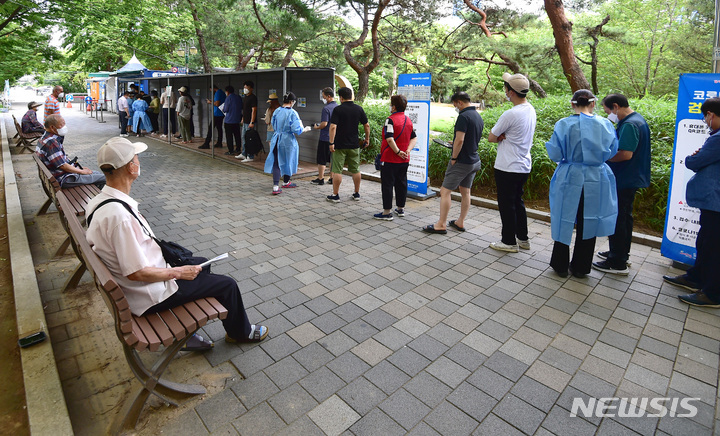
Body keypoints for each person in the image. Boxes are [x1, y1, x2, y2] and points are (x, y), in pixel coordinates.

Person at [85, 137, 268, 350]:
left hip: (139, 283)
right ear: (130, 167)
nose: (139, 162)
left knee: (202, 264)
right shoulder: (119, 216)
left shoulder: (100, 201)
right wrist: (179, 273)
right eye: (136, 158)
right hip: (148, 295)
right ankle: (240, 333)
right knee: (228, 285)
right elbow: (136, 273)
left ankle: (187, 332)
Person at [546, 90, 618, 278]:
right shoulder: (605, 124)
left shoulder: (564, 124)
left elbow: (554, 153)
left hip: (570, 175)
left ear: (572, 104)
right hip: (597, 177)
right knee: (590, 220)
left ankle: (560, 265)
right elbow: (612, 150)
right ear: (593, 104)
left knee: (563, 217)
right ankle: (581, 266)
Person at [667, 98, 720, 307]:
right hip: (712, 203)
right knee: (705, 241)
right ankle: (696, 277)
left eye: (705, 117)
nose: (706, 121)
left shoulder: (717, 138)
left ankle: (712, 293)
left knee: (713, 246)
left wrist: (693, 158)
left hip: (715, 202)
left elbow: (694, 161)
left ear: (710, 115)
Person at [593, 93, 651, 275]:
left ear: (616, 106)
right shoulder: (637, 120)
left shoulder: (629, 125)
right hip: (630, 177)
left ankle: (617, 262)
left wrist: (602, 158)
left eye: (608, 110)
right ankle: (619, 252)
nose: (608, 114)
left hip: (625, 179)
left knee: (619, 218)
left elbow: (625, 154)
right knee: (624, 217)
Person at [487, 73, 536, 252]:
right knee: (517, 202)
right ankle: (523, 239)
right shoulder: (530, 109)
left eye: (506, 88)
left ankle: (508, 241)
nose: (505, 91)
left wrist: (501, 136)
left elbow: (491, 137)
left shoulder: (511, 114)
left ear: (510, 92)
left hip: (507, 166)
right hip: (523, 165)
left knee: (506, 204)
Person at [423, 92, 483, 234]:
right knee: (465, 191)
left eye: (455, 104)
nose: (455, 107)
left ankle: (441, 224)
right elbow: (469, 138)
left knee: (445, 191)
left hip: (462, 161)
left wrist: (454, 158)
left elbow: (460, 140)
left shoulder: (463, 116)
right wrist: (455, 142)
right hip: (474, 160)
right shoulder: (477, 115)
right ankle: (460, 222)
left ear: (459, 102)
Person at [374, 95, 416, 220]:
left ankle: (387, 212)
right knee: (402, 183)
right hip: (404, 159)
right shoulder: (408, 120)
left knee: (387, 184)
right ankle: (400, 208)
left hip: (390, 158)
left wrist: (397, 152)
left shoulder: (390, 120)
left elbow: (389, 138)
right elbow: (414, 137)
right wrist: (407, 150)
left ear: (394, 106)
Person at [36, 115, 106, 188]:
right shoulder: (51, 143)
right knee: (104, 178)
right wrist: (81, 171)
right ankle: (99, 198)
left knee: (96, 173)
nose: (64, 126)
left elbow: (62, 161)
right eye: (61, 124)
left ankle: (97, 197)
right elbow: (63, 165)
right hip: (63, 178)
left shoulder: (45, 137)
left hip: (59, 175)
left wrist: (78, 168)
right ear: (52, 128)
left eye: (64, 124)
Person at [327, 87, 370, 202]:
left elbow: (333, 126)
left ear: (341, 97)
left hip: (339, 145)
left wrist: (331, 142)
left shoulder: (338, 110)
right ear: (351, 96)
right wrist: (367, 138)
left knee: (337, 170)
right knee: (355, 170)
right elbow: (366, 125)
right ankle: (356, 193)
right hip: (354, 145)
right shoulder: (358, 109)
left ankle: (335, 195)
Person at [264, 92, 312, 194]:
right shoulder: (293, 113)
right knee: (288, 160)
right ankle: (285, 182)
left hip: (276, 137)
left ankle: (276, 186)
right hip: (288, 140)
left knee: (277, 161)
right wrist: (304, 129)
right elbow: (296, 129)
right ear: (292, 102)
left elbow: (273, 123)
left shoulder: (277, 110)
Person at [310, 87, 339, 185]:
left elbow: (324, 124)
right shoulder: (338, 107)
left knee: (321, 159)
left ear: (329, 96)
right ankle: (332, 178)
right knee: (332, 158)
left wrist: (316, 127)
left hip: (325, 137)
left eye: (324, 97)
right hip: (335, 137)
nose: (323, 99)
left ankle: (321, 178)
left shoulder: (326, 108)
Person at [236, 80, 258, 162]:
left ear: (251, 88)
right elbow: (245, 110)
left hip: (249, 122)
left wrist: (252, 122)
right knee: (243, 137)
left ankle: (250, 156)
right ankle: (243, 153)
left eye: (246, 87)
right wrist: (242, 118)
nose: (245, 89)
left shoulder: (253, 98)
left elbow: (254, 110)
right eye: (244, 87)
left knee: (249, 139)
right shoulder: (245, 97)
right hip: (245, 121)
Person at [200, 84, 226, 149]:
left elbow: (217, 104)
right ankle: (219, 142)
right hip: (221, 113)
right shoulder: (222, 92)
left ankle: (206, 143)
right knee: (219, 128)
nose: (211, 91)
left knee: (211, 128)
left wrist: (210, 102)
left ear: (213, 88)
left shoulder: (217, 93)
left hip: (217, 113)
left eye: (211, 90)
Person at [222, 85, 243, 156]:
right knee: (237, 135)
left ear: (227, 91)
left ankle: (231, 150)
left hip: (229, 120)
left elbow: (225, 109)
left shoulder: (228, 98)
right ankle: (238, 149)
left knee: (229, 136)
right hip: (237, 120)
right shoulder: (238, 97)